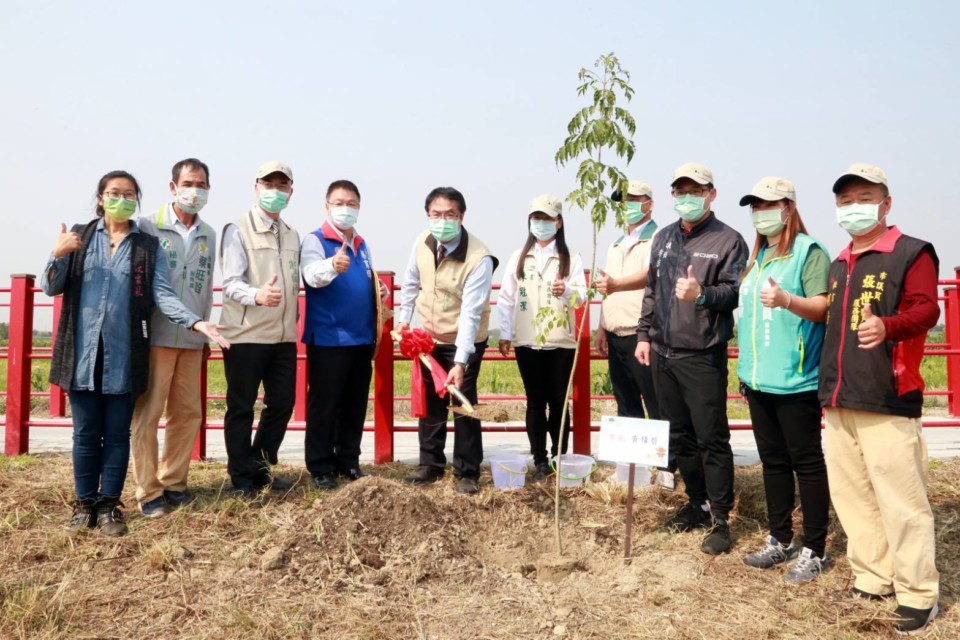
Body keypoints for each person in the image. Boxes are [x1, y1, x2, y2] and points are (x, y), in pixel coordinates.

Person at [42, 170, 228, 536]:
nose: (121, 200)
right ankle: (84, 504)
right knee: (84, 433)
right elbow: (51, 286)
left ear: (137, 202)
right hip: (82, 352)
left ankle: (110, 505)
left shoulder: (146, 245)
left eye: (129, 194)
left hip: (125, 353)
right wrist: (57, 254)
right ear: (100, 198)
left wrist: (196, 323)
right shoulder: (79, 235)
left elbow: (161, 293)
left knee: (115, 434)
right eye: (114, 193)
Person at [819, 164, 940, 634]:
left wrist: (887, 326)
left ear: (886, 203)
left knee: (902, 501)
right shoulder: (839, 262)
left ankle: (918, 593)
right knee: (852, 497)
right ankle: (873, 576)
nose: (853, 207)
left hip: (888, 396)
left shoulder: (912, 252)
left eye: (864, 197)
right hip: (839, 396)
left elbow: (927, 307)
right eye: (845, 201)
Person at [635, 162, 748, 555]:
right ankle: (695, 503)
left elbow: (735, 293)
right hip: (663, 352)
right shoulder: (664, 238)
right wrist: (643, 334)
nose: (687, 198)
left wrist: (701, 294)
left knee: (711, 438)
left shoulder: (728, 240)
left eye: (695, 191)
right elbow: (652, 289)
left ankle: (721, 518)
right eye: (680, 191)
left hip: (702, 356)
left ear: (711, 194)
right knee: (678, 435)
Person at [735, 177, 831, 582]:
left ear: (789, 207)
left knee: (806, 461)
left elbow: (825, 307)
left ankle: (815, 548)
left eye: (769, 204)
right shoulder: (759, 256)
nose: (761, 213)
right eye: (755, 206)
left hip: (796, 380)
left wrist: (787, 300)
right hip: (759, 378)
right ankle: (780, 539)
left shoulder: (809, 252)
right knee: (772, 461)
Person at [395, 187, 498, 495]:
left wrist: (461, 361)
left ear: (461, 217)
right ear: (428, 216)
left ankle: (467, 471)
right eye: (436, 215)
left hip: (462, 341)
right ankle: (430, 463)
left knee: (462, 403)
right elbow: (411, 281)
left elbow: (470, 313)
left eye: (450, 215)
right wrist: (404, 320)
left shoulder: (479, 258)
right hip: (429, 338)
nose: (442, 221)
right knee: (430, 402)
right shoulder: (423, 242)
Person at [129, 158, 217, 517]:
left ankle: (175, 482)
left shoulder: (208, 234)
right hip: (156, 335)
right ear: (173, 187)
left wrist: (205, 329)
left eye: (201, 185)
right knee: (148, 414)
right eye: (188, 183)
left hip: (194, 337)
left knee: (189, 413)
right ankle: (148, 490)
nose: (194, 191)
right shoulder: (147, 225)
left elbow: (208, 287)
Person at [219, 161, 301, 498]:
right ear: (256, 187)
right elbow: (230, 283)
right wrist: (258, 295)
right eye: (269, 184)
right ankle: (241, 477)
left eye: (283, 186)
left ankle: (260, 465)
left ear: (291, 192)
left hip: (282, 336)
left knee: (282, 403)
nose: (276, 191)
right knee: (241, 407)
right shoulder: (237, 229)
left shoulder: (293, 234)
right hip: (246, 334)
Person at [497, 195, 585, 482]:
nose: (541, 224)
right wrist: (506, 333)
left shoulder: (570, 257)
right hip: (527, 342)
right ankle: (540, 460)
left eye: (547, 219)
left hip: (560, 342)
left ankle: (560, 458)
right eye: (536, 218)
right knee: (535, 402)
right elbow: (507, 298)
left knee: (559, 402)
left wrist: (567, 290)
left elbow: (582, 295)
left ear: (558, 223)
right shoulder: (520, 257)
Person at [301, 180, 382, 490]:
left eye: (350, 203)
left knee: (354, 404)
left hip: (361, 338)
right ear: (327, 206)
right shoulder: (316, 240)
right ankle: (320, 467)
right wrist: (332, 265)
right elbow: (310, 275)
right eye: (338, 203)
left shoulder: (362, 244)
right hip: (329, 338)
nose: (344, 208)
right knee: (324, 405)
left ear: (358, 208)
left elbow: (365, 280)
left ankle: (348, 461)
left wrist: (379, 290)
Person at [593, 180, 671, 488]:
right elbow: (606, 288)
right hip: (615, 332)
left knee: (656, 401)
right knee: (625, 400)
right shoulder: (615, 243)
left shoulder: (658, 240)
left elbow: (651, 276)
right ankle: (631, 466)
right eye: (622, 201)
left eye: (633, 200)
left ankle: (665, 465)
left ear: (649, 204)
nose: (627, 206)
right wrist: (601, 326)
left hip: (643, 333)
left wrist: (615, 285)